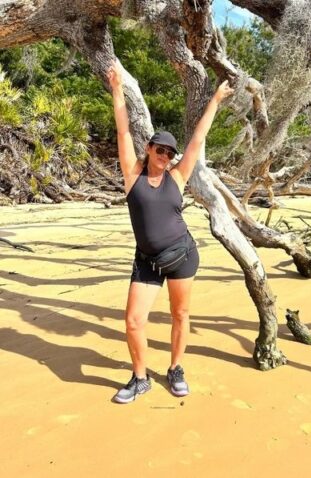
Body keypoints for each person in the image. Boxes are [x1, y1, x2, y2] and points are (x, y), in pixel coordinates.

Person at [106, 62, 233, 404]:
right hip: (147, 262)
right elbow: (122, 133)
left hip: (181, 256)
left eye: (169, 153)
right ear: (148, 149)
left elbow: (198, 138)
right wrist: (117, 89)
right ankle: (140, 377)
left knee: (180, 314)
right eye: (159, 149)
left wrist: (217, 100)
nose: (164, 155)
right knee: (133, 321)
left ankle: (176, 368)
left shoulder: (177, 177)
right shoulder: (132, 177)